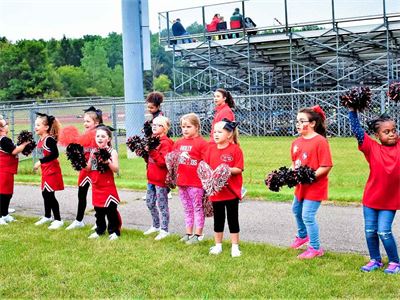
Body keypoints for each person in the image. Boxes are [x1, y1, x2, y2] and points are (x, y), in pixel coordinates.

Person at [348, 109, 400, 274]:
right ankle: (375, 260)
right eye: (386, 132)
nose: (392, 134)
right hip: (371, 199)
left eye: (394, 130)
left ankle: (395, 262)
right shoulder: (372, 148)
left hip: (390, 201)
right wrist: (352, 111)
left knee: (384, 231)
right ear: (377, 135)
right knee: (370, 231)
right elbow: (357, 131)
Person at [290, 105, 333, 259]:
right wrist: (288, 174)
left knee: (307, 215)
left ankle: (315, 248)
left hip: (315, 186)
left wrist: (311, 176)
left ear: (313, 123)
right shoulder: (296, 143)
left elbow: (326, 165)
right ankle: (303, 236)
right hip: (301, 186)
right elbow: (295, 164)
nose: (298, 124)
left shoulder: (320, 141)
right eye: (297, 121)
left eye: (302, 121)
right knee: (296, 210)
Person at [205, 119, 244, 257]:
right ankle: (218, 245)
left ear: (229, 134)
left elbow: (238, 169)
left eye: (219, 132)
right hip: (217, 193)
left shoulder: (235, 149)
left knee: (233, 219)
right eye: (214, 131)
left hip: (231, 192)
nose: (216, 134)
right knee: (218, 219)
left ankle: (235, 246)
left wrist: (224, 170)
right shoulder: (210, 149)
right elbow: (206, 168)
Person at [65, 106, 103, 230]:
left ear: (96, 123)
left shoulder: (100, 135)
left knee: (98, 195)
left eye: (88, 121)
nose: (85, 123)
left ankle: (99, 221)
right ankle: (79, 220)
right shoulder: (84, 135)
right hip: (84, 169)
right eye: (84, 121)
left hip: (95, 169)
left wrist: (92, 165)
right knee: (81, 194)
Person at [173, 113, 209, 244]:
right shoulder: (178, 143)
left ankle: (198, 234)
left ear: (197, 127)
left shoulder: (202, 144)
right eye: (183, 126)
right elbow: (174, 160)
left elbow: (206, 163)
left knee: (197, 207)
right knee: (187, 208)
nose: (185, 129)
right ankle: (188, 232)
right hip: (182, 181)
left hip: (195, 182)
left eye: (188, 126)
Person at [87, 125, 122, 240]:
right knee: (99, 211)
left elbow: (116, 169)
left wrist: (108, 162)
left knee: (111, 211)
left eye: (103, 136)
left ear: (109, 139)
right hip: (96, 185)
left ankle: (114, 231)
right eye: (98, 136)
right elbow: (89, 167)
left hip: (107, 186)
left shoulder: (112, 152)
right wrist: (78, 160)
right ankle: (100, 230)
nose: (100, 138)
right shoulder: (93, 151)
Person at [143, 116, 174, 240]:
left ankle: (164, 229)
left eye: (158, 125)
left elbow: (162, 162)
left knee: (162, 205)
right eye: (153, 124)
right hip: (151, 178)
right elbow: (149, 160)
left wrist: (151, 151)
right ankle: (156, 225)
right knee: (150, 202)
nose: (154, 126)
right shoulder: (152, 140)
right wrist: (144, 153)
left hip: (161, 180)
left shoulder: (166, 143)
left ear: (165, 128)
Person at [34, 113, 65, 229]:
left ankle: (58, 219)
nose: (35, 127)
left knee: (50, 195)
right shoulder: (41, 139)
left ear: (46, 127)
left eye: (38, 125)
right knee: (45, 193)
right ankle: (47, 216)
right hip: (46, 171)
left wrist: (40, 162)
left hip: (52, 171)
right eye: (35, 125)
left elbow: (55, 154)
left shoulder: (49, 140)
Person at [0, 115, 29, 225]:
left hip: (7, 170)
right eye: (5, 124)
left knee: (8, 193)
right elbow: (14, 151)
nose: (8, 125)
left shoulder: (5, 140)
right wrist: (24, 144)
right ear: (1, 128)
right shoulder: (3, 140)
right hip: (3, 170)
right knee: (3, 194)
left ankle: (5, 214)